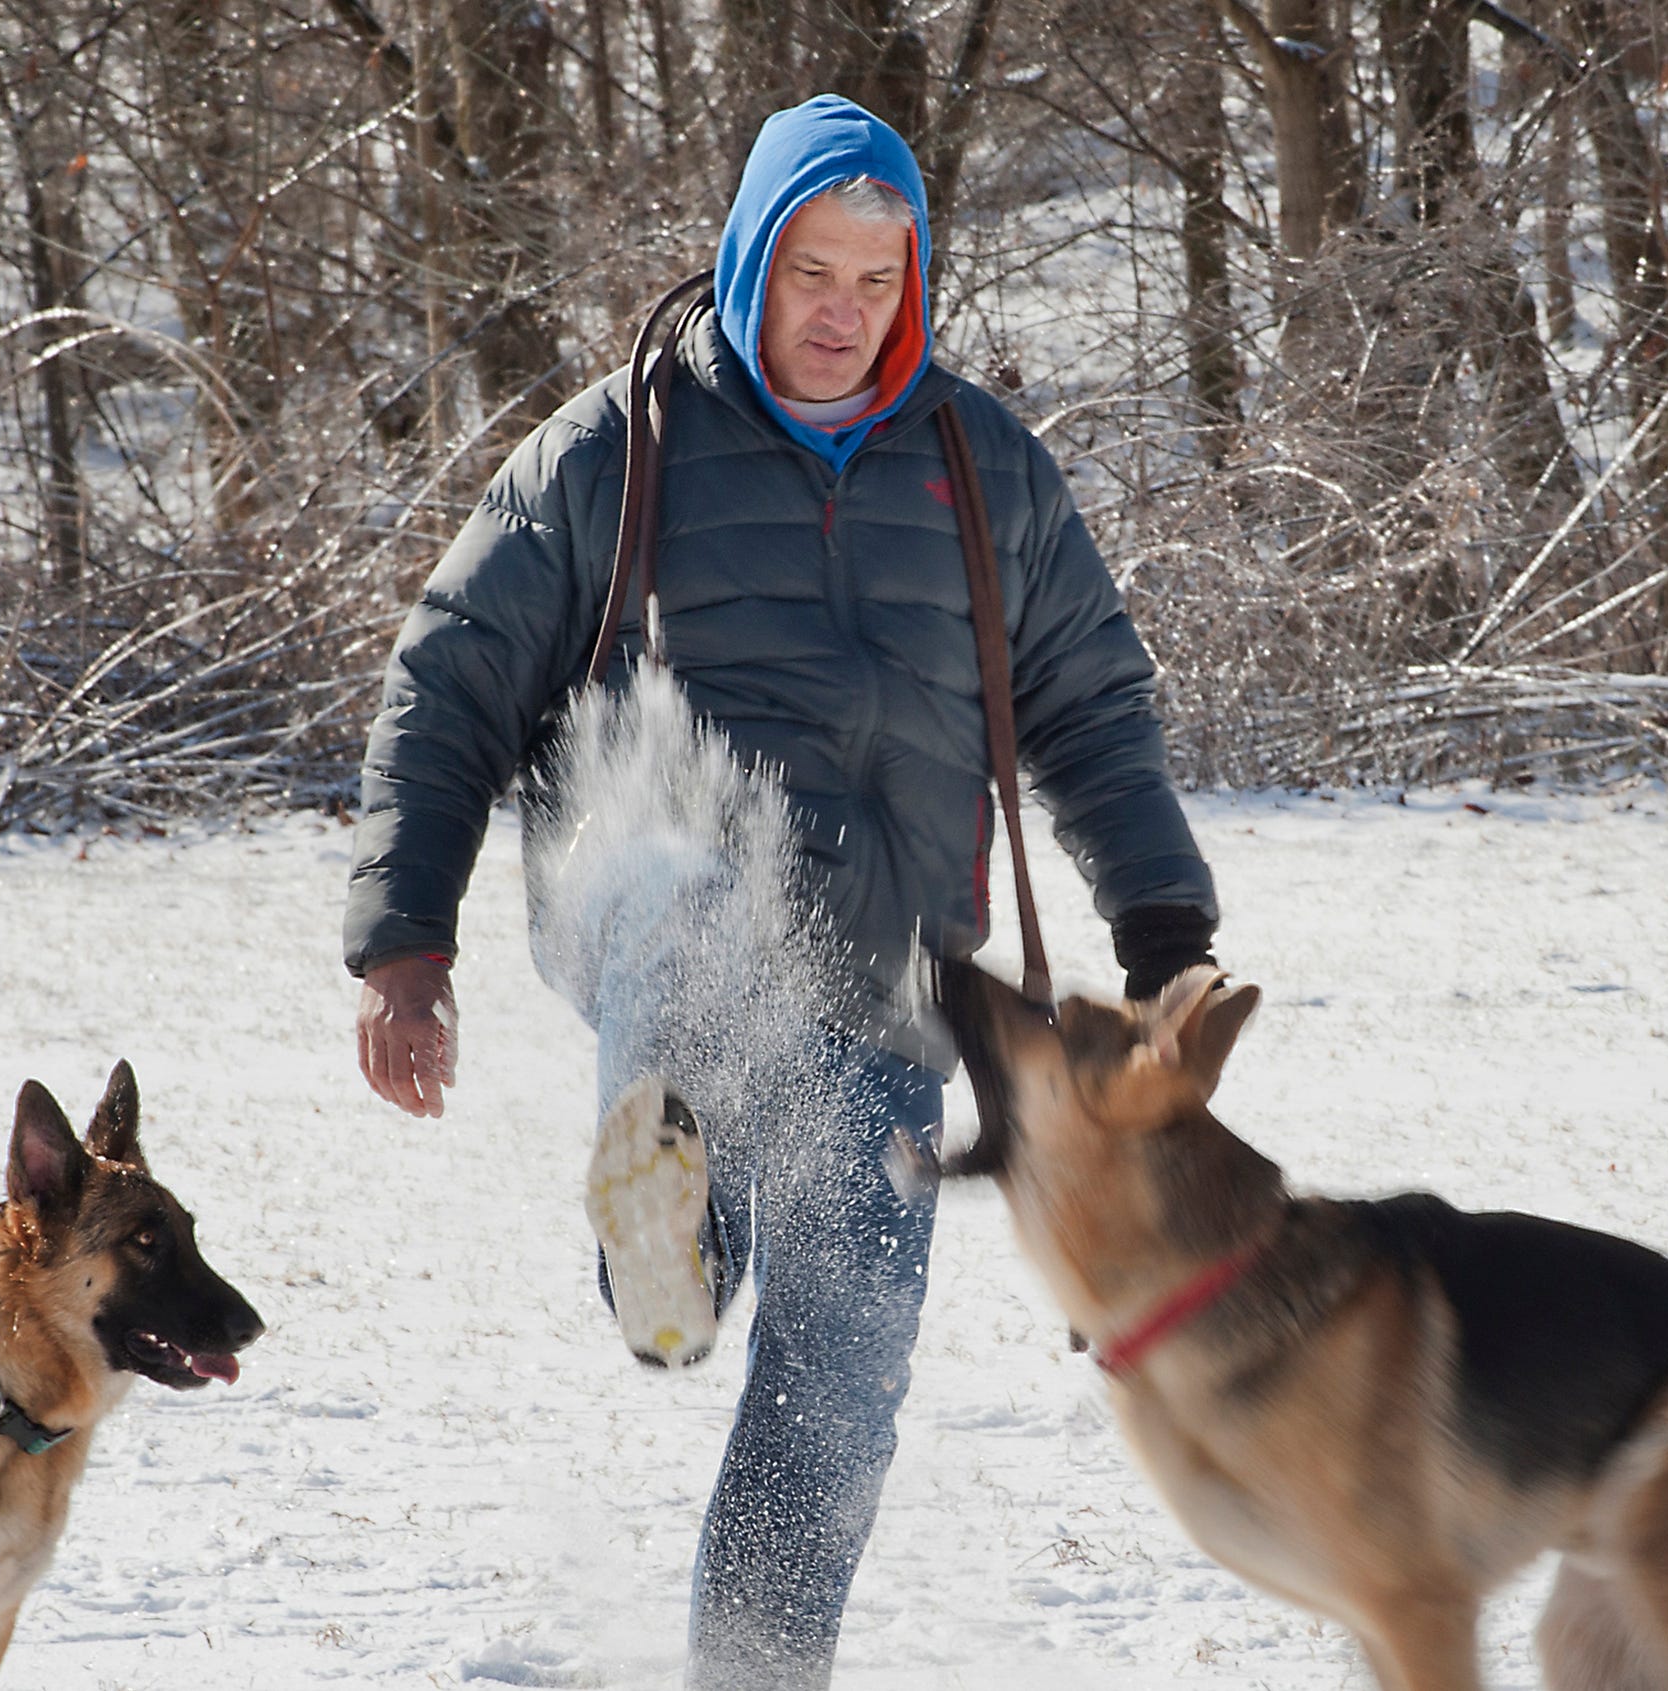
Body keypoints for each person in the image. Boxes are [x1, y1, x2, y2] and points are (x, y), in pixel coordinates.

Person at [343, 94, 1219, 1689]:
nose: (840, 311)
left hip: (888, 987)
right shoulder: (618, 449)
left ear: (916, 283)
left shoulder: (982, 466)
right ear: (751, 261)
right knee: (690, 869)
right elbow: (448, 681)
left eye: (875, 280)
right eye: (810, 271)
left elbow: (1090, 705)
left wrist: (1165, 936)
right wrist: (405, 946)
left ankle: (752, 1661)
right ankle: (663, 1215)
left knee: (839, 1384)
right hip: (652, 910)